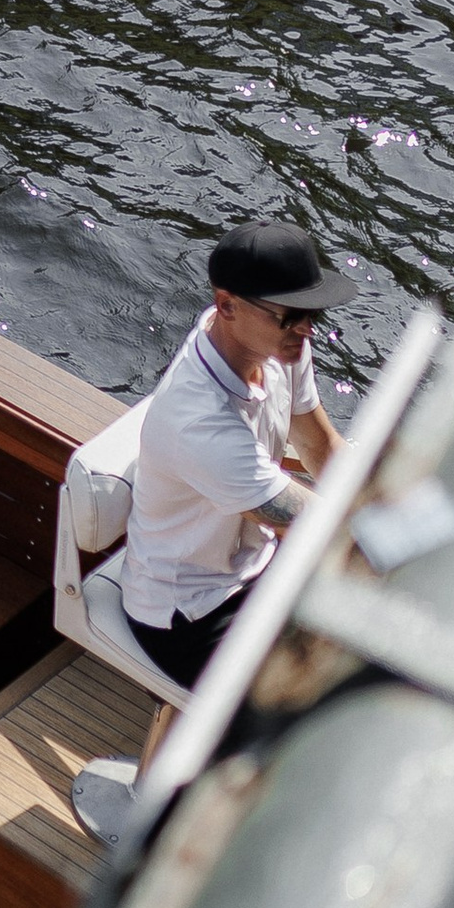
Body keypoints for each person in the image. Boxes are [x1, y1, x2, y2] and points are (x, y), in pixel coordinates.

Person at [110, 215, 347, 703]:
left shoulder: (280, 347)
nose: (306, 328)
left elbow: (322, 450)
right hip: (189, 615)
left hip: (256, 564)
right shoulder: (201, 423)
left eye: (313, 314)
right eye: (290, 314)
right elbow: (317, 526)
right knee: (318, 702)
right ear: (226, 306)